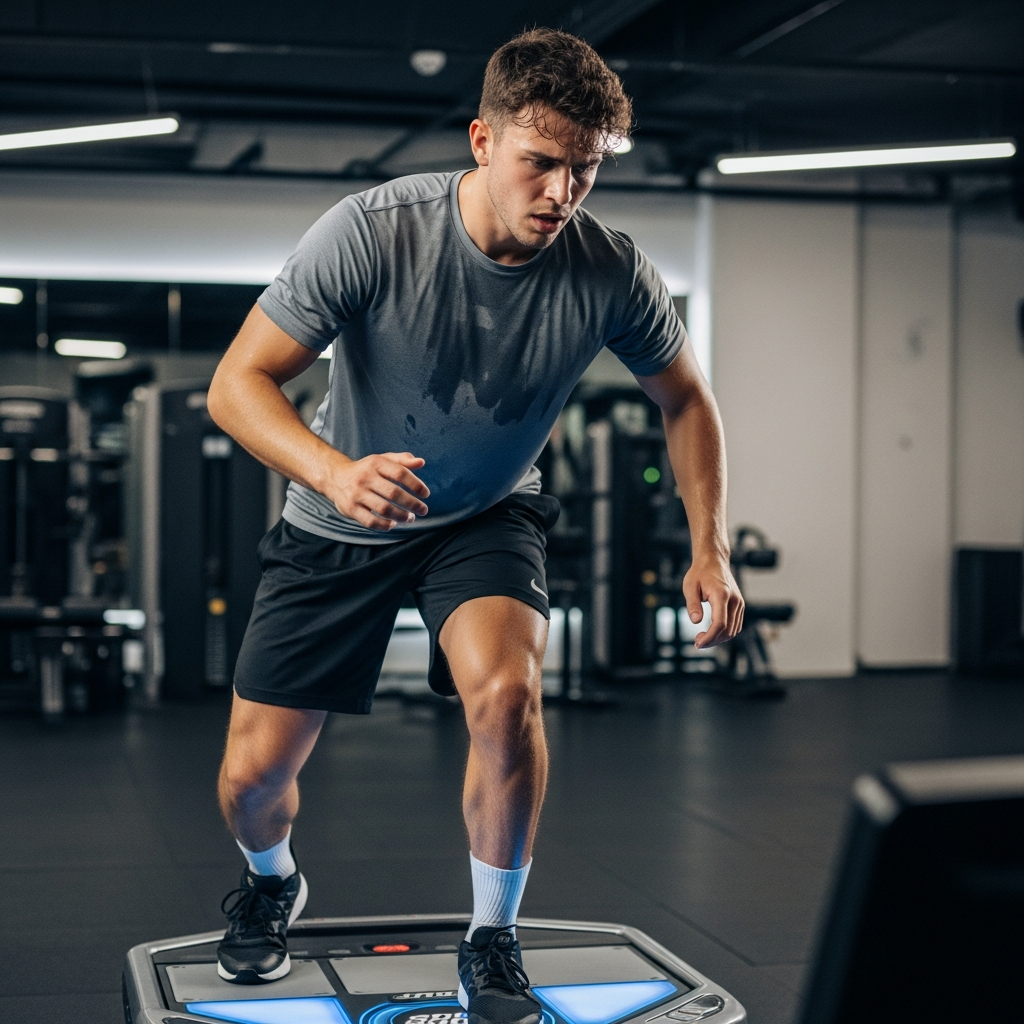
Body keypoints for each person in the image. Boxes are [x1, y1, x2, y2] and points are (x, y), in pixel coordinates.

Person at [206, 26, 744, 1024]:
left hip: (485, 516)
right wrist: (334, 469)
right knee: (250, 779)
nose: (561, 194)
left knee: (506, 698)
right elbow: (236, 385)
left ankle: (492, 937)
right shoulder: (371, 230)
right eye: (541, 162)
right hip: (341, 515)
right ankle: (272, 878)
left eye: (583, 171)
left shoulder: (609, 270)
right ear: (482, 140)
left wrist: (707, 546)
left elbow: (687, 402)